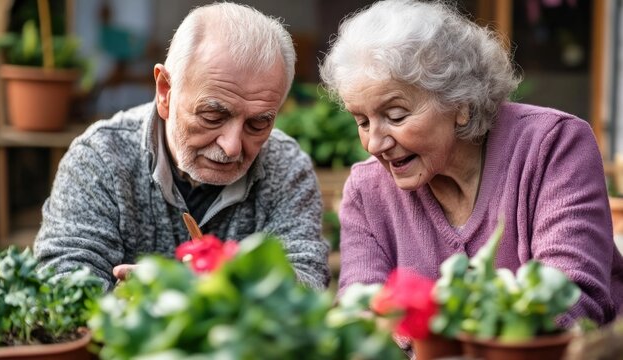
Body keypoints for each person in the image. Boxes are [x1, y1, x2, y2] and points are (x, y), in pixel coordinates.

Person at [320, 0, 623, 326]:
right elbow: (358, 317)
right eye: (362, 121)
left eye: (395, 116)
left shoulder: (553, 146)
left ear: (460, 102)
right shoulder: (367, 191)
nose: (374, 143)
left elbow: (570, 300)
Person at [34, 2, 330, 291]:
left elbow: (307, 284)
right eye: (213, 116)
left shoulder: (287, 167)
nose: (231, 147)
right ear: (165, 91)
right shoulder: (99, 159)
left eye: (258, 124)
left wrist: (188, 290)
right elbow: (63, 284)